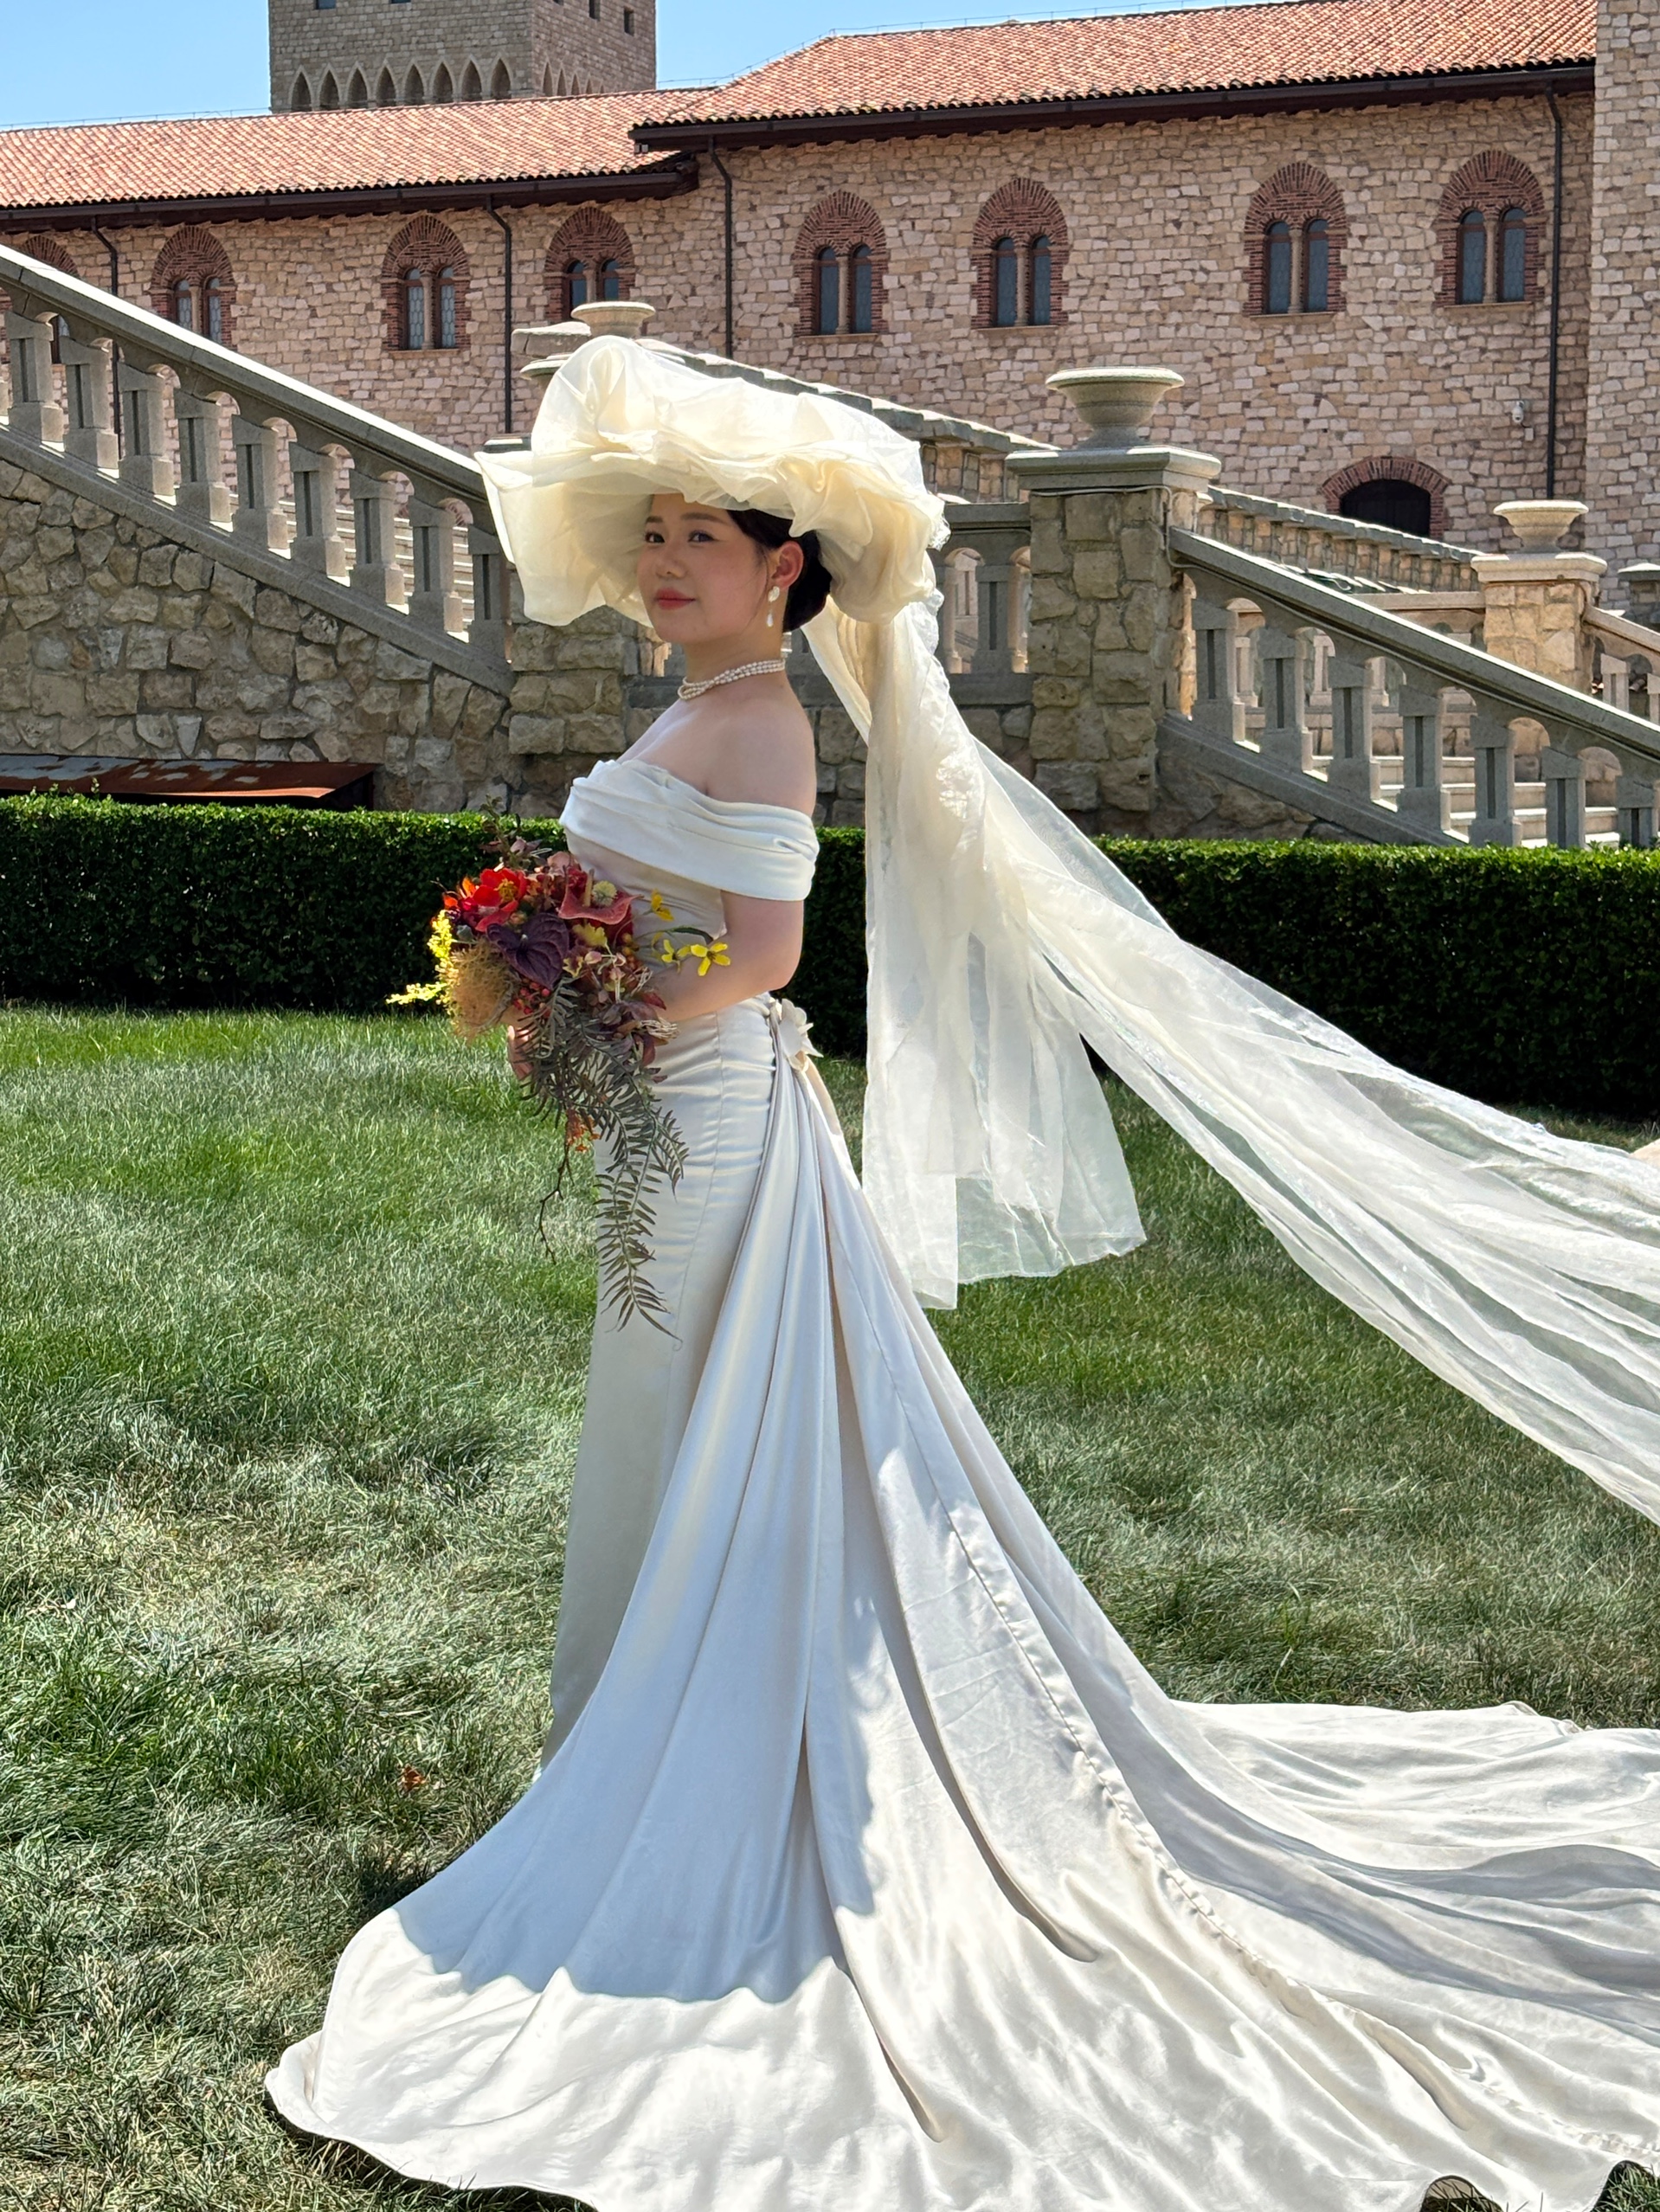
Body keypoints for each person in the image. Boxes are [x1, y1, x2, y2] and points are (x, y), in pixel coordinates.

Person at [268, 338, 1660, 2211]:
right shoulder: (699, 707)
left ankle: (715, 1741)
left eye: (703, 540)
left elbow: (763, 953)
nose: (667, 562)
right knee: (684, 1416)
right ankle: (660, 1721)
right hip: (679, 1112)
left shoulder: (759, 720)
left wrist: (583, 1008)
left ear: (783, 569)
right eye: (655, 535)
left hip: (718, 1118)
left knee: (712, 1415)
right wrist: (558, 989)